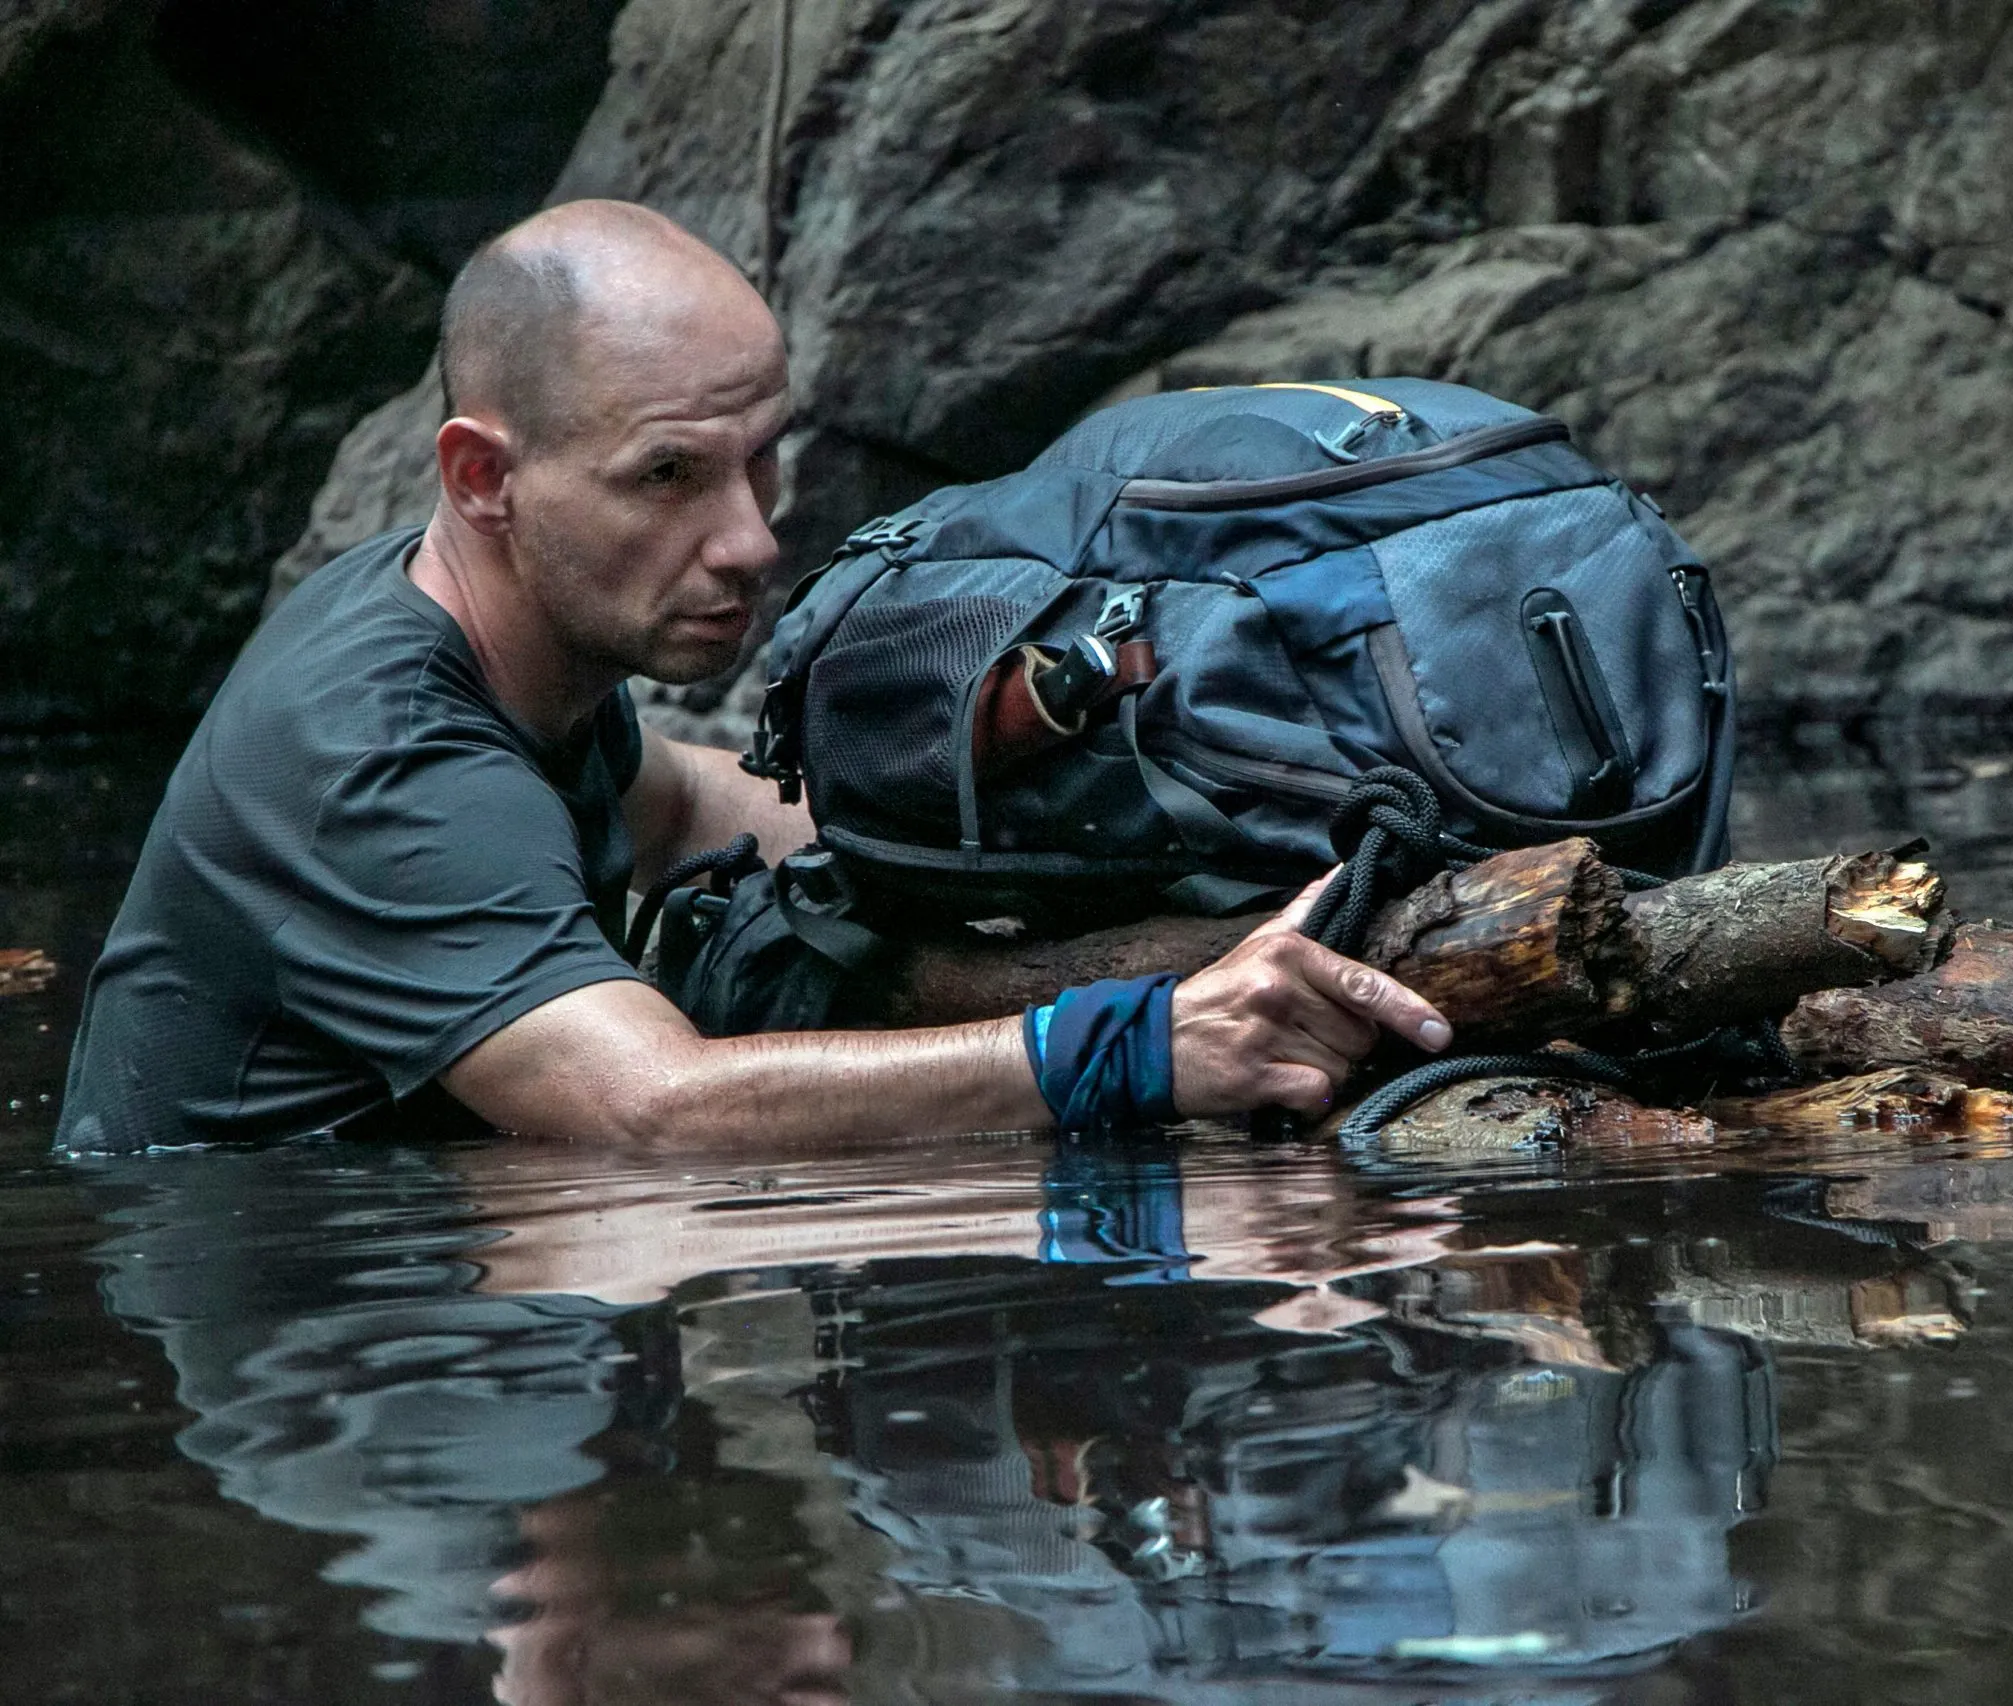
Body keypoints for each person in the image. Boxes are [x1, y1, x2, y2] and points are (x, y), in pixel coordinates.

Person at [55, 199, 1449, 1155]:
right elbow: (651, 1110)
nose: (751, 538)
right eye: (669, 476)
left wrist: (1127, 867)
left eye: (760, 454)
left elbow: (675, 807)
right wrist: (1133, 1045)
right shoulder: (372, 747)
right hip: (311, 1308)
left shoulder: (522, 639)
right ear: (484, 477)